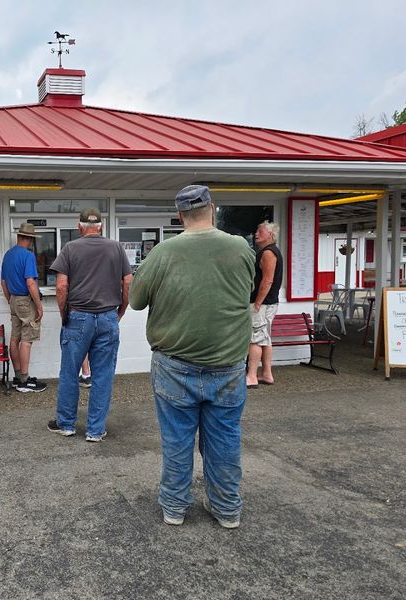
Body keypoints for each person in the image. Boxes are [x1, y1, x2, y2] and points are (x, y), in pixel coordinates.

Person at [129, 185, 254, 528]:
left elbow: (136, 300)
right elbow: (247, 290)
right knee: (226, 439)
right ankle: (227, 509)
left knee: (177, 440)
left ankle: (174, 508)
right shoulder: (240, 248)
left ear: (180, 215)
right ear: (212, 209)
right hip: (228, 363)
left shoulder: (163, 252)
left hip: (174, 364)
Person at [47, 208, 133, 442]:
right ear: (101, 227)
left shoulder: (70, 249)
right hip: (107, 317)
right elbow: (128, 282)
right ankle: (95, 430)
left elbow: (61, 286)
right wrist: (121, 311)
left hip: (78, 316)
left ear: (79, 227)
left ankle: (66, 424)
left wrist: (65, 314)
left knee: (69, 373)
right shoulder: (116, 248)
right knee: (103, 375)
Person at [0, 222, 46, 393]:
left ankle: (19, 375)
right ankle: (25, 381)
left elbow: (3, 282)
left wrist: (10, 300)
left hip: (13, 299)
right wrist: (39, 306)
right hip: (25, 300)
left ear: (19, 236)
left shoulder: (8, 255)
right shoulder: (28, 256)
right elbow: (30, 282)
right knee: (27, 340)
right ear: (30, 239)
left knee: (15, 339)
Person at [246, 221, 283, 388]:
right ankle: (267, 374)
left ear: (270, 235)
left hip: (263, 304)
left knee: (255, 339)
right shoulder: (268, 251)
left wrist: (258, 303)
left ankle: (252, 376)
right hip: (269, 303)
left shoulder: (268, 253)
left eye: (260, 231)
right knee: (265, 338)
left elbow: (267, 280)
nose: (256, 234)